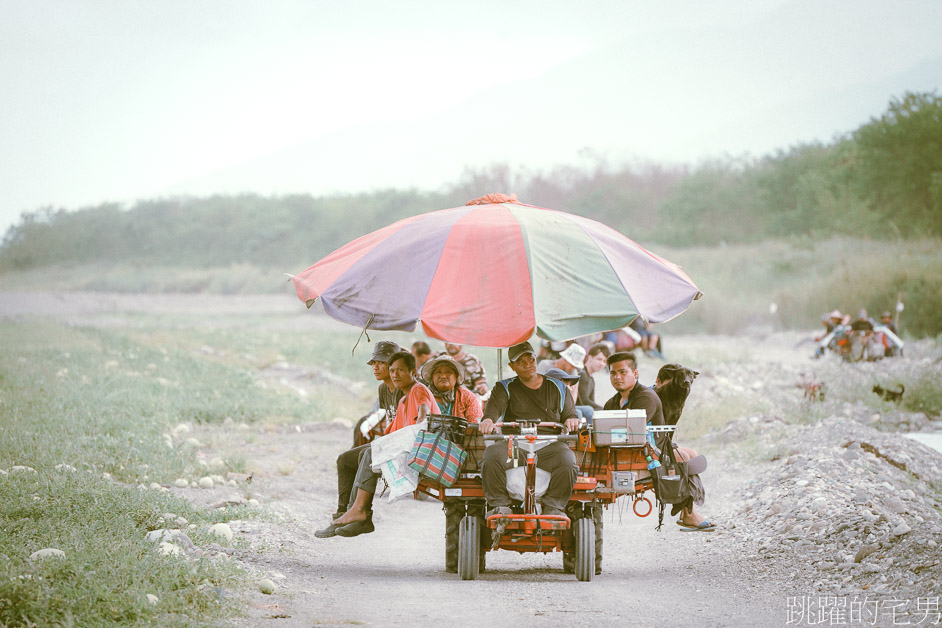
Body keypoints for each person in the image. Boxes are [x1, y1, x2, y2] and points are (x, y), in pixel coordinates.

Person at [323, 351, 440, 538]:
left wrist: (421, 424)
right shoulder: (402, 399)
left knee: (371, 453)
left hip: (421, 448)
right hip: (405, 446)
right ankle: (348, 513)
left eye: (400, 370)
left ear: (413, 372)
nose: (395, 375)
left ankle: (359, 512)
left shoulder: (417, 389)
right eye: (392, 371)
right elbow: (390, 433)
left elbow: (424, 410)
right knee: (352, 457)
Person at [603, 352, 713, 531]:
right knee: (686, 456)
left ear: (635, 374)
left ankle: (687, 511)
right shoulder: (612, 402)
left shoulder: (646, 397)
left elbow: (632, 432)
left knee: (690, 456)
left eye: (623, 372)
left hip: (649, 448)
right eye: (613, 373)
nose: (617, 377)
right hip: (637, 448)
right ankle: (687, 512)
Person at [479, 341, 580, 518]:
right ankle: (500, 505)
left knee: (568, 461)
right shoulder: (504, 387)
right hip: (515, 445)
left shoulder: (559, 387)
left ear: (536, 359)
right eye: (521, 361)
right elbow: (492, 412)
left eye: (531, 359)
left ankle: (554, 507)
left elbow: (570, 414)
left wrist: (572, 420)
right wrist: (488, 420)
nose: (528, 364)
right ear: (512, 366)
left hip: (549, 443)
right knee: (490, 457)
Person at [317, 341, 403, 538]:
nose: (375, 367)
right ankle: (342, 515)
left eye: (381, 363)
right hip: (391, 441)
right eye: (374, 362)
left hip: (403, 444)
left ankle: (361, 516)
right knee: (345, 459)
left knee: (368, 453)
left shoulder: (404, 389)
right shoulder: (383, 390)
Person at [420, 354, 483, 422]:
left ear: (456, 376)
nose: (443, 376)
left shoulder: (468, 398)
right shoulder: (422, 396)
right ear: (432, 377)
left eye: (448, 372)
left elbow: (476, 425)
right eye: (438, 372)